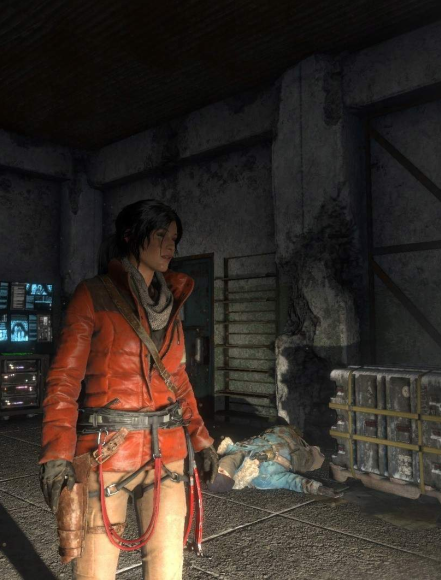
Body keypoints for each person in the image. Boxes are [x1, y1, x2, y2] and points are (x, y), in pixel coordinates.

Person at [39, 199, 218, 580]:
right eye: (160, 235)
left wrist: (200, 439)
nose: (169, 246)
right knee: (95, 573)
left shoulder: (171, 304)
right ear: (130, 236)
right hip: (106, 454)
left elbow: (178, 379)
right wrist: (56, 453)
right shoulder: (93, 295)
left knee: (167, 572)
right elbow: (64, 380)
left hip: (167, 452)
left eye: (174, 238)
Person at [206, 425, 341, 498]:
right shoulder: (261, 479)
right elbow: (290, 481)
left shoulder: (232, 449)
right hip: (301, 454)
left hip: (282, 431)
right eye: (222, 472)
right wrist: (317, 488)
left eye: (217, 469)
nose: (221, 467)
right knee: (322, 450)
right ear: (230, 477)